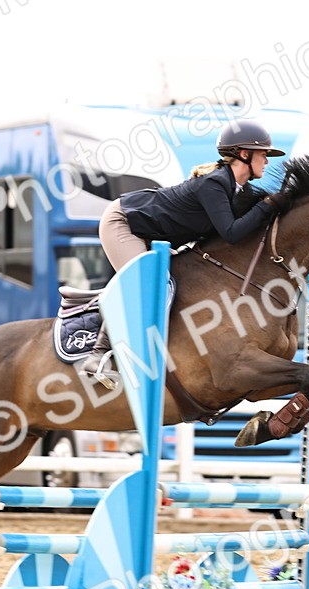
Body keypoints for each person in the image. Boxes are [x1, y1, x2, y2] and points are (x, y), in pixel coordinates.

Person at [81, 119, 292, 388]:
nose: (267, 161)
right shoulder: (214, 183)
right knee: (144, 282)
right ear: (244, 154)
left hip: (151, 233)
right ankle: (97, 356)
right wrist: (267, 205)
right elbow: (231, 232)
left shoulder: (239, 189)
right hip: (123, 222)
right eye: (263, 154)